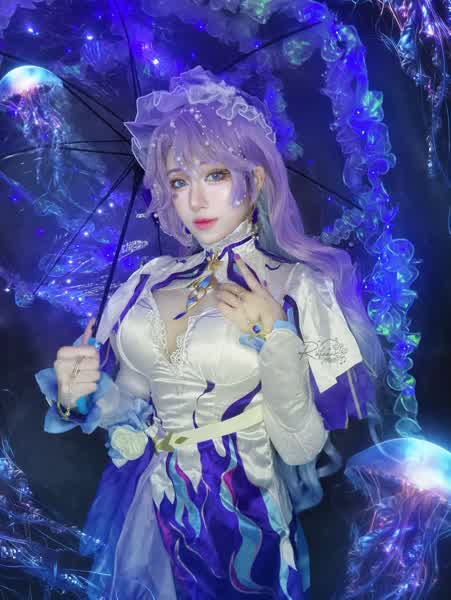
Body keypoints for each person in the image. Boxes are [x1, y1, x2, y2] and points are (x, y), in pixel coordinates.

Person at [35, 66, 386, 599]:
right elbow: (130, 399)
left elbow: (300, 447)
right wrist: (77, 395)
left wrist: (278, 339)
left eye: (215, 175)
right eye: (179, 181)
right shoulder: (147, 280)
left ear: (256, 180)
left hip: (245, 519)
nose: (196, 200)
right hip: (154, 512)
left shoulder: (297, 286)